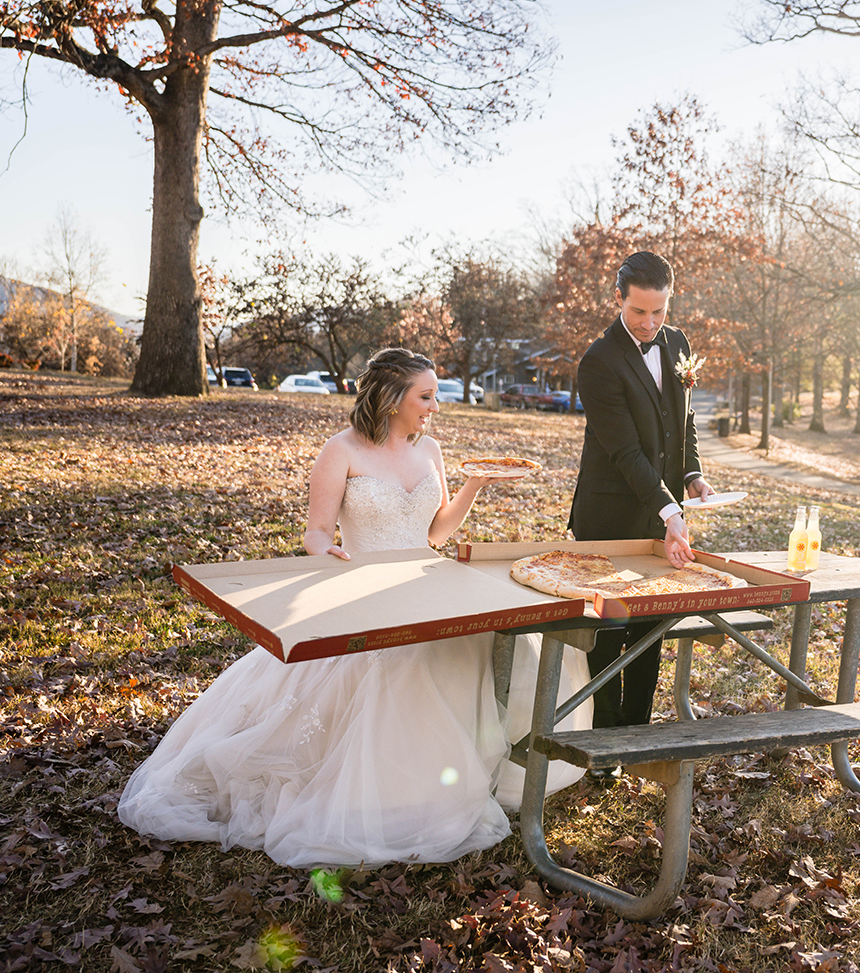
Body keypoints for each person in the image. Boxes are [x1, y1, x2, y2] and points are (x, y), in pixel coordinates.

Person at [118, 348, 590, 868]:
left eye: (435, 395)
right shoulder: (340, 450)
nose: (436, 406)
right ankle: (390, 793)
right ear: (391, 399)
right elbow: (316, 532)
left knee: (492, 647)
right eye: (426, 396)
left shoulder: (429, 448)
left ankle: (464, 772)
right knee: (393, 668)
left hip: (429, 581)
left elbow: (436, 531)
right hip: (365, 589)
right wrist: (328, 553)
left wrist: (474, 484)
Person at [568, 251, 716, 783]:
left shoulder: (678, 344)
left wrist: (692, 473)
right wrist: (669, 508)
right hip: (609, 515)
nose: (649, 324)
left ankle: (636, 739)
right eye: (638, 312)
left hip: (662, 511)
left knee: (653, 629)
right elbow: (626, 451)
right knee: (609, 633)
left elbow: (684, 419)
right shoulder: (598, 362)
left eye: (658, 312)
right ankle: (603, 752)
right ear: (618, 299)